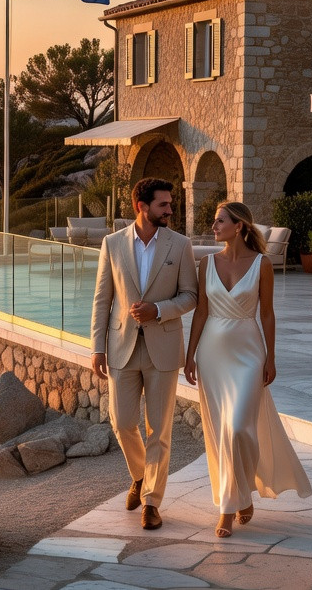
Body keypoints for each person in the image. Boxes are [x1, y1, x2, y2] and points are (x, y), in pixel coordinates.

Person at [184, 202, 311, 538]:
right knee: (221, 432)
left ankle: (241, 491)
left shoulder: (262, 264)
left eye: (219, 221)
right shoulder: (207, 263)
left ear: (238, 226)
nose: (214, 227)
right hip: (212, 354)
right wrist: (190, 354)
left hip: (249, 352)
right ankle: (230, 506)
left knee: (240, 427)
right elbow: (200, 312)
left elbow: (267, 314)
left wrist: (271, 357)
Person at [90, 177, 199, 530]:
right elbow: (102, 299)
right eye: (164, 205)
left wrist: (159, 310)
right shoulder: (112, 244)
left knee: (159, 430)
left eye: (170, 204)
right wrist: (96, 347)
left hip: (163, 349)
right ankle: (139, 475)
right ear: (142, 207)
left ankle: (152, 501)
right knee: (122, 423)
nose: (170, 210)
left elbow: (190, 296)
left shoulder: (180, 245)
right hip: (121, 347)